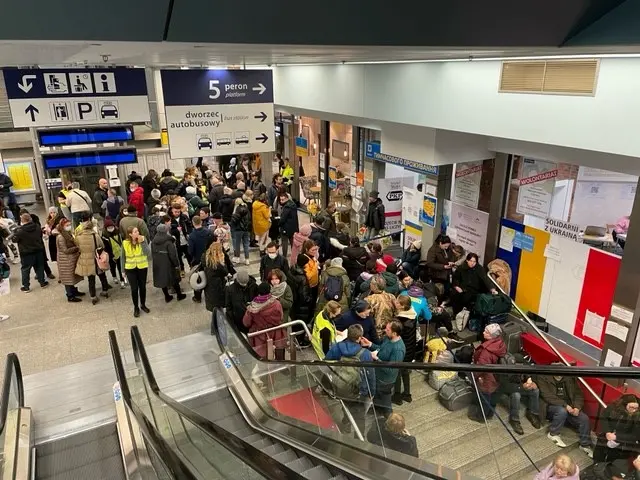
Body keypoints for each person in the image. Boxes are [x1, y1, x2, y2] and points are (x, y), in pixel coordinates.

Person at [324, 324, 376, 436]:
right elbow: (370, 375)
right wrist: (372, 392)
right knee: (360, 417)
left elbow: (326, 363)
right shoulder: (365, 354)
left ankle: (347, 423)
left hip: (340, 385)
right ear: (359, 338)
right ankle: (359, 438)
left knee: (346, 404)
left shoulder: (337, 347)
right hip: (358, 391)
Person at [538, 366, 594, 458]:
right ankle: (553, 433)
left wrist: (577, 407)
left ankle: (585, 445)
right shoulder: (544, 378)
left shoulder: (570, 379)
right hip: (551, 407)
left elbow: (578, 394)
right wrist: (565, 405)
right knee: (562, 411)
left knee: (584, 419)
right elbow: (547, 396)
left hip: (569, 407)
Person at [359, 320, 406, 418]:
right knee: (377, 395)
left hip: (385, 380)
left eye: (388, 329)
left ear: (394, 333)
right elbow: (381, 348)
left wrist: (377, 359)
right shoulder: (388, 338)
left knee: (385, 400)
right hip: (378, 374)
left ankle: (390, 419)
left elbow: (392, 370)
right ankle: (378, 409)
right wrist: (370, 344)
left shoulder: (398, 349)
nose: (385, 330)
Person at [495, 353, 542, 435]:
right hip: (507, 391)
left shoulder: (523, 364)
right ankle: (514, 419)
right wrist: (522, 387)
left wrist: (531, 382)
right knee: (516, 395)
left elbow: (531, 372)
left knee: (535, 391)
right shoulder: (505, 369)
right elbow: (506, 386)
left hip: (520, 387)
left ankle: (532, 413)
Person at [468, 324, 507, 422]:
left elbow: (480, 368)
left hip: (486, 378)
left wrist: (473, 377)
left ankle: (481, 417)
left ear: (492, 336)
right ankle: (490, 414)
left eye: (486, 332)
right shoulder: (500, 343)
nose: (483, 332)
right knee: (493, 396)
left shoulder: (486, 351)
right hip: (496, 376)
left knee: (484, 398)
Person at [243, 282, 285, 359]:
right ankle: (282, 369)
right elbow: (281, 317)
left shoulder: (252, 307)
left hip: (260, 335)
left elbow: (246, 323)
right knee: (280, 354)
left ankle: (266, 369)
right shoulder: (276, 303)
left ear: (259, 292)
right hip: (276, 332)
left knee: (263, 358)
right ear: (270, 291)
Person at [593, 394, 640, 463]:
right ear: (624, 404)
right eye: (631, 407)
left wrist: (616, 437)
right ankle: (596, 465)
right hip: (605, 437)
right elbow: (604, 417)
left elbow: (635, 436)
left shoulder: (637, 416)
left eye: (636, 408)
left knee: (612, 460)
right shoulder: (613, 407)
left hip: (621, 444)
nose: (633, 410)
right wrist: (608, 432)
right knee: (598, 455)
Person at [75, 213, 110, 305]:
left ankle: (93, 296)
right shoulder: (95, 235)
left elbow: (77, 247)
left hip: (85, 260)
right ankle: (105, 291)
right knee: (102, 276)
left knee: (91, 279)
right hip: (96, 259)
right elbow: (101, 245)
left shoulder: (78, 236)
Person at [13, 212, 48, 292]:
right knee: (39, 267)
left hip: (26, 253)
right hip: (38, 250)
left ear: (22, 221)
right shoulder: (37, 227)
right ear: (30, 219)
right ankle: (42, 282)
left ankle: (26, 287)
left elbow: (14, 240)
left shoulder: (20, 231)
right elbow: (40, 236)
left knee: (25, 270)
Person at [392, 295, 418, 405]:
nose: (395, 303)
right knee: (405, 371)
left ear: (402, 306)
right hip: (411, 348)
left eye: (397, 302)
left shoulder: (399, 320)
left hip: (402, 350)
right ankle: (407, 394)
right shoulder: (413, 314)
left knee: (397, 373)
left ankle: (397, 396)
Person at [151, 223, 186, 303]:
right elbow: (173, 255)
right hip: (168, 263)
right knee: (174, 279)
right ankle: (179, 295)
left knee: (162, 280)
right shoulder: (168, 242)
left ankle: (167, 296)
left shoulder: (154, 241)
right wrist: (176, 265)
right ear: (166, 231)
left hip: (158, 263)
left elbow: (152, 253)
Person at [202, 241, 235, 322]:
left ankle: (215, 328)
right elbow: (225, 272)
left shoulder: (206, 259)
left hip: (209, 289)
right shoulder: (218, 265)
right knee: (219, 311)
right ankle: (218, 329)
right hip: (218, 290)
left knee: (214, 311)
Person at [122, 226, 150, 317]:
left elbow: (147, 253)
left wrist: (142, 242)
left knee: (142, 287)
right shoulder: (125, 243)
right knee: (134, 289)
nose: (137, 233)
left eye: (137, 231)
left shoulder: (143, 239)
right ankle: (136, 307)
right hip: (130, 268)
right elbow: (123, 257)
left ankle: (143, 304)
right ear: (130, 234)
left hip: (142, 267)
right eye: (135, 232)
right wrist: (123, 270)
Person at [55, 218, 84, 302]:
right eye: (67, 225)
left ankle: (74, 291)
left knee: (71, 276)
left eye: (69, 225)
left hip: (69, 260)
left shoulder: (67, 233)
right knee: (68, 278)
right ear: (62, 226)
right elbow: (65, 250)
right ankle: (70, 296)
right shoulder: (61, 237)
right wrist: (76, 248)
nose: (69, 226)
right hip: (65, 260)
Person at [364, 275, 397, 339]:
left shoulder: (369, 299)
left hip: (376, 332)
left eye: (371, 283)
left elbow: (367, 316)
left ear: (374, 286)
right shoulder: (391, 297)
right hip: (390, 330)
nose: (370, 284)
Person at [169, 202, 192, 274]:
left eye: (178, 212)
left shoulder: (184, 217)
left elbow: (190, 226)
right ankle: (182, 269)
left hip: (185, 240)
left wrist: (188, 233)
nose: (177, 213)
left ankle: (191, 267)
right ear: (172, 211)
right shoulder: (170, 219)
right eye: (175, 212)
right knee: (179, 256)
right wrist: (176, 230)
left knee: (188, 255)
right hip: (177, 241)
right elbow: (169, 230)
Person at [102, 219, 126, 288]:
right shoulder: (104, 236)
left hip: (119, 253)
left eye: (111, 227)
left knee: (120, 267)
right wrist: (110, 255)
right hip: (111, 255)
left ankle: (122, 281)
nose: (111, 229)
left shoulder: (118, 233)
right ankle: (114, 276)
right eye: (109, 228)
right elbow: (105, 247)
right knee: (112, 267)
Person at [230, 197, 251, 265]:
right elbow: (249, 219)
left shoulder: (237, 209)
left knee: (237, 244)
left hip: (238, 229)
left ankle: (237, 258)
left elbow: (234, 220)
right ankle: (247, 259)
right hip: (246, 229)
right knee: (246, 244)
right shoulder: (247, 209)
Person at [278, 192, 299, 259]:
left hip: (285, 228)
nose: (281, 201)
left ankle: (284, 257)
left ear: (287, 198)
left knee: (284, 243)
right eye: (280, 200)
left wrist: (279, 224)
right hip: (293, 227)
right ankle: (294, 256)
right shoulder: (293, 205)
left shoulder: (287, 207)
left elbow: (283, 219)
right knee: (293, 243)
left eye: (283, 200)